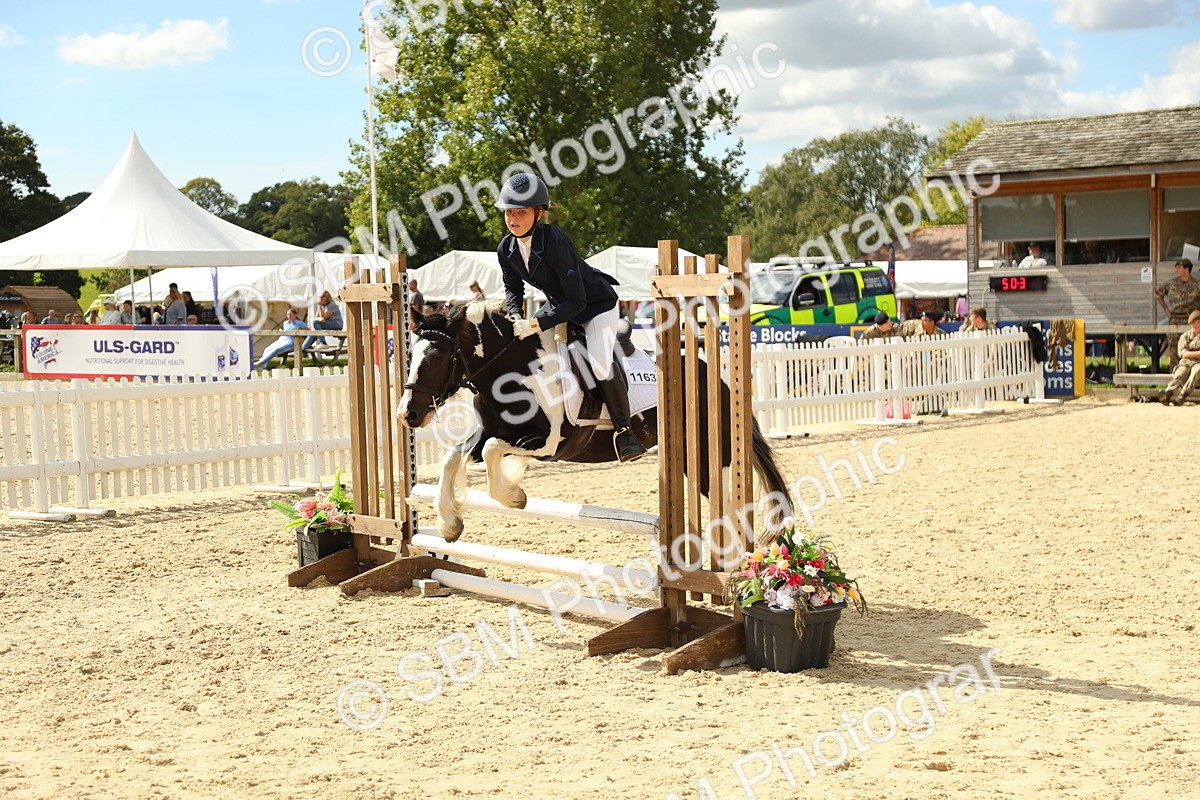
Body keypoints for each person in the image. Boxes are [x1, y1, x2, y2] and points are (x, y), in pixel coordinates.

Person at [494, 172, 645, 462]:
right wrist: (515, 316)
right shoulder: (507, 248)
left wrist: (536, 322)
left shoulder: (555, 241)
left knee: (600, 363)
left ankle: (625, 431)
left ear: (538, 214)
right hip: (561, 306)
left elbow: (577, 301)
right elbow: (513, 287)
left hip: (595, 306)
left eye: (520, 212)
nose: (513, 219)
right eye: (509, 212)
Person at [1155, 259, 1200, 369]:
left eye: (1179, 267)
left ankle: (1190, 379)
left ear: (1187, 269)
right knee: (1174, 351)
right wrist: (1165, 308)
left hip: (1191, 322)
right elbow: (1158, 293)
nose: (1176, 270)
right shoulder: (1171, 284)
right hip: (1175, 320)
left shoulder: (1197, 285)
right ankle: (1174, 379)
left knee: (1191, 349)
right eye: (1176, 267)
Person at [1159, 310, 1200, 405]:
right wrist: (1197, 353)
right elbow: (1182, 353)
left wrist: (1191, 353)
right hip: (1186, 362)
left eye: (1199, 322)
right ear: (1190, 324)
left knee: (1196, 372)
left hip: (1198, 363)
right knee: (1180, 374)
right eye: (1194, 322)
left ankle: (1183, 394)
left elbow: (1186, 352)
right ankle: (1168, 393)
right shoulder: (1185, 336)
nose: (1197, 325)